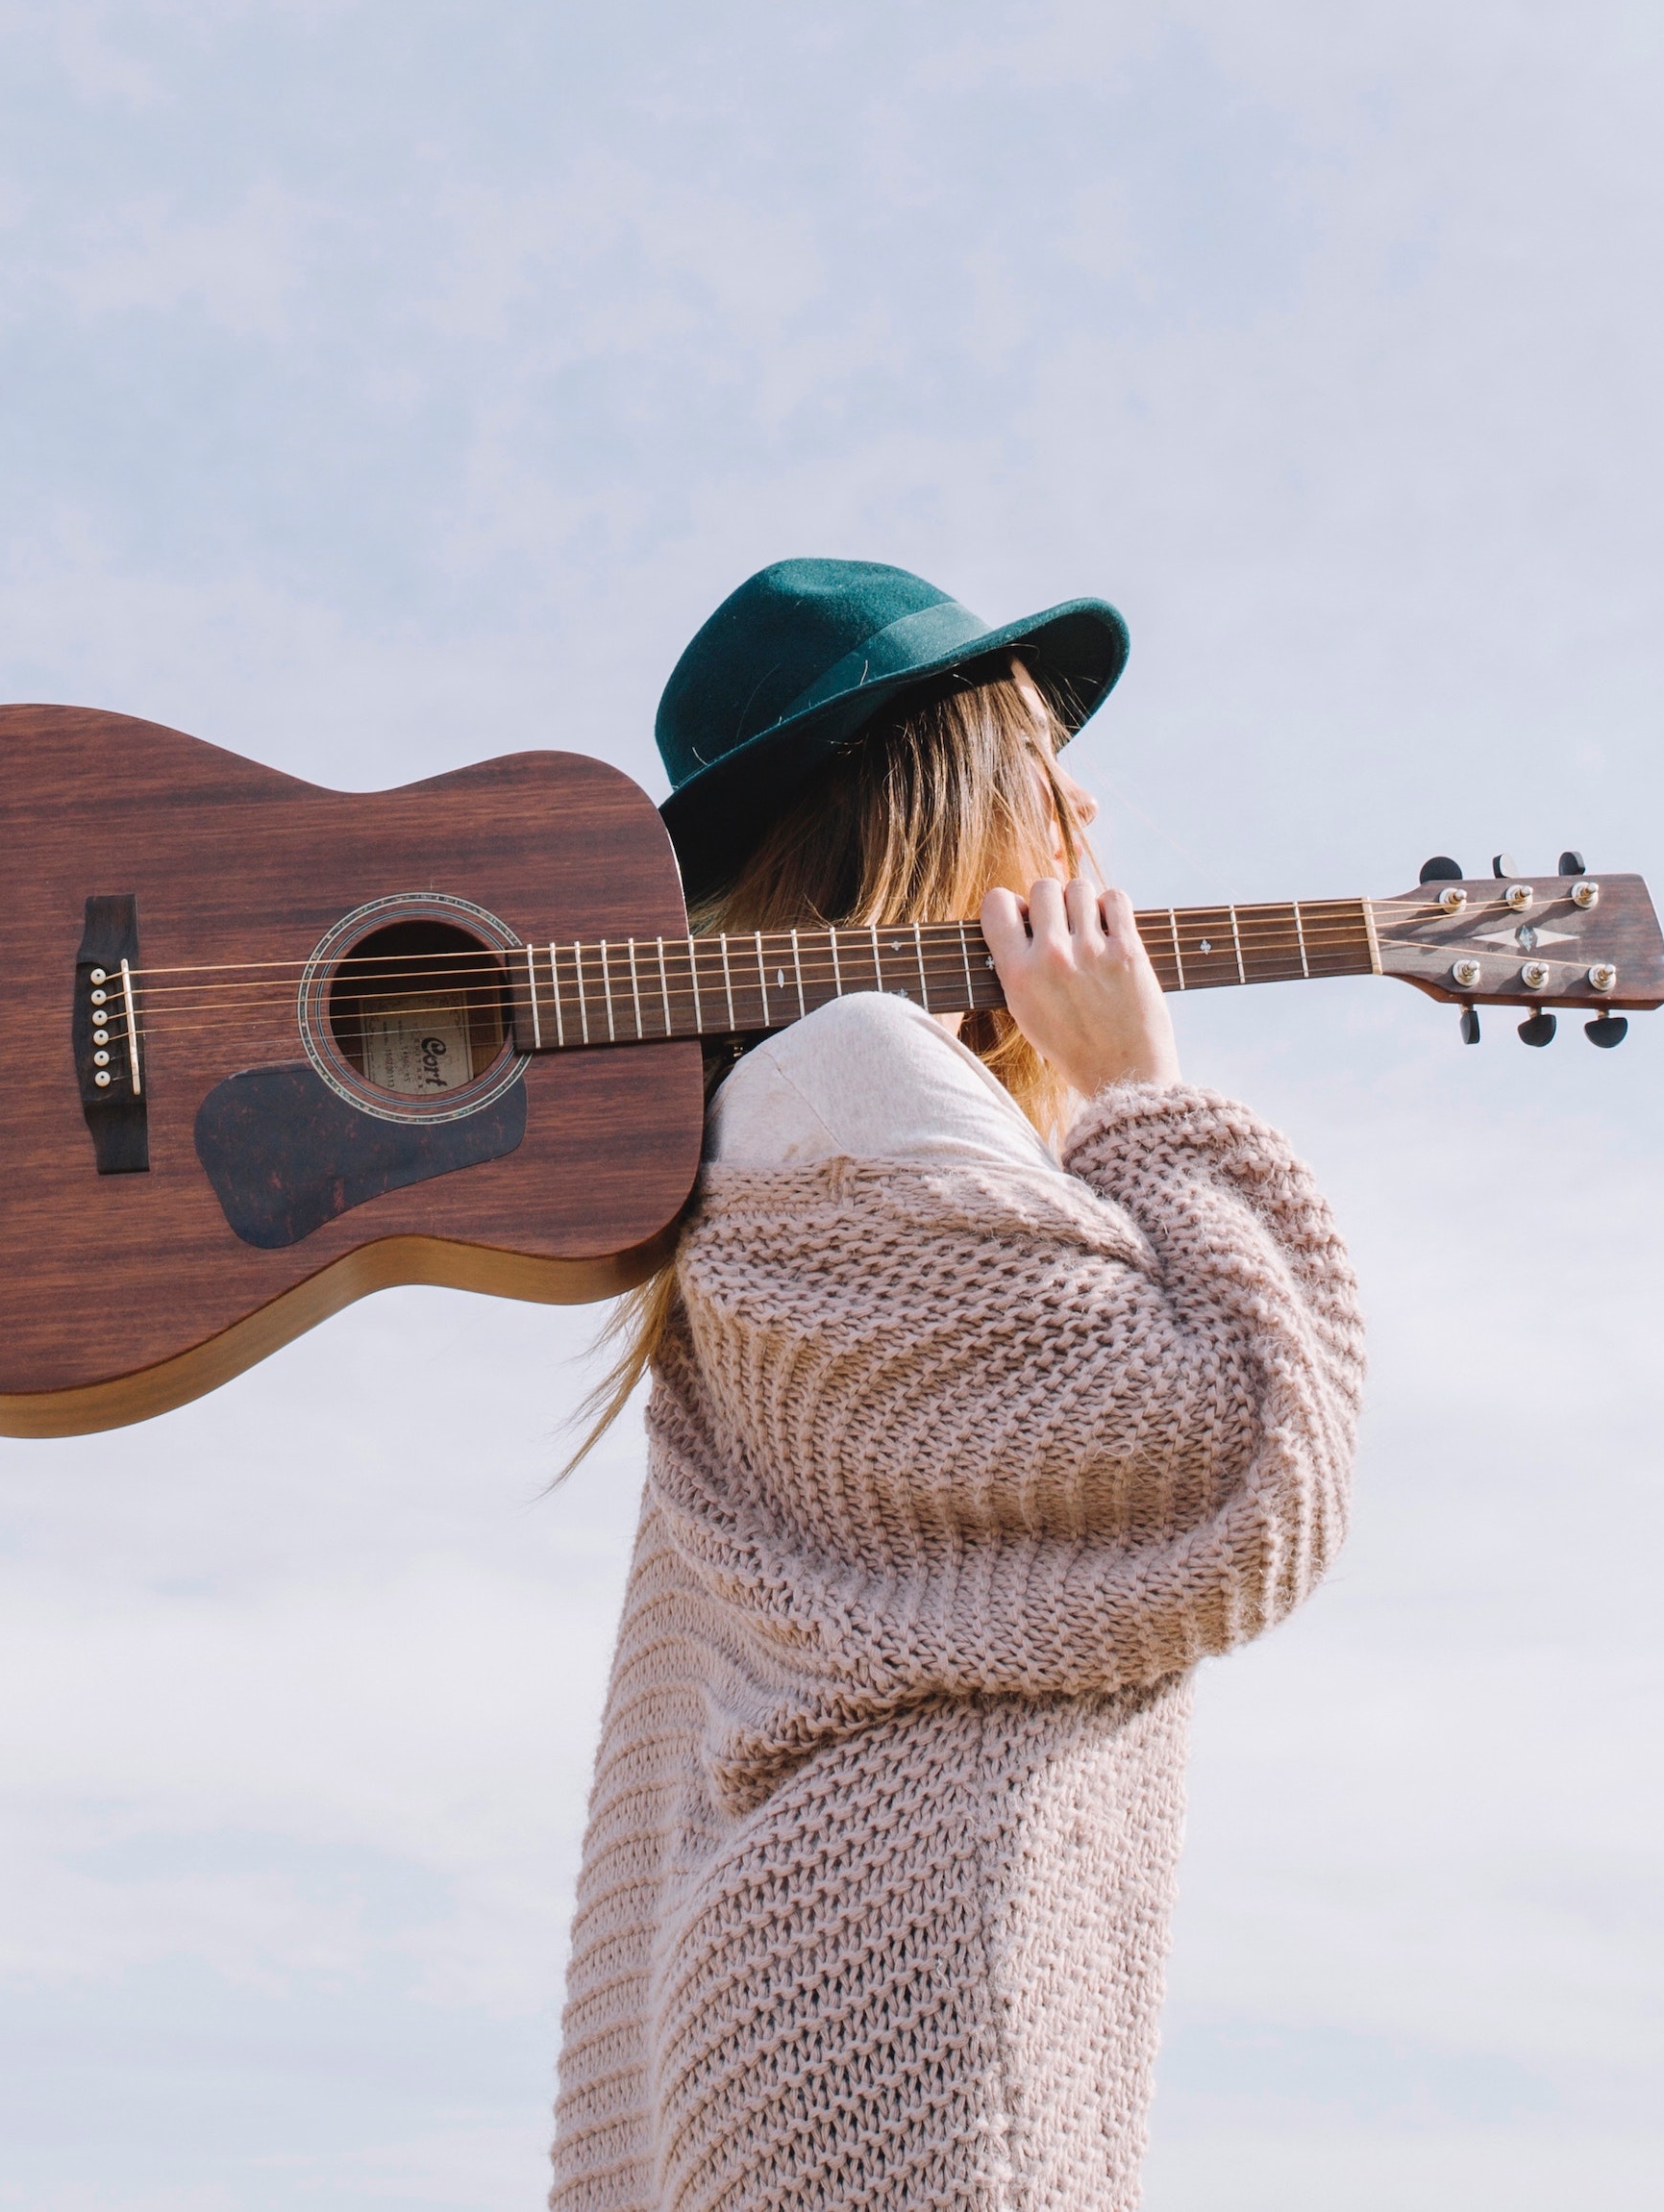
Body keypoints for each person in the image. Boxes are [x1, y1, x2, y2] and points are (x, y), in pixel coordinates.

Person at [546, 559, 1366, 2212]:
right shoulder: (853, 1072)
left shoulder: (766, 1129)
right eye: (1049, 775)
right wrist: (1142, 1089)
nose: (1083, 824)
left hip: (813, 2002)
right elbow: (1232, 1453)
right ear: (952, 799)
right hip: (905, 2026)